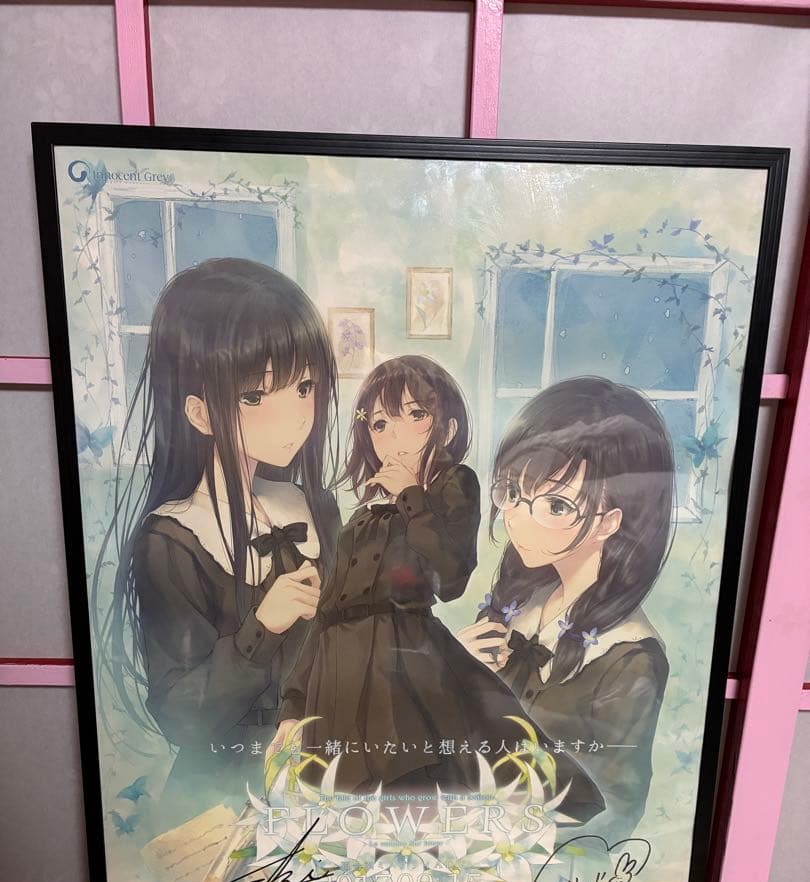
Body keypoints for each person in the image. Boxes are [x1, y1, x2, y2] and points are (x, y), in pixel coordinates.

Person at [272, 356, 604, 823]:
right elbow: (327, 616)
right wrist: (293, 706)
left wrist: (411, 495)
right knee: (347, 816)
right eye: (379, 423)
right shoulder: (361, 519)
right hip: (338, 683)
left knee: (416, 802)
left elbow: (451, 578)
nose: (393, 435)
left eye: (415, 415)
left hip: (403, 672)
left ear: (447, 429)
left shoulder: (454, 486)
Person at [94, 258, 341, 817]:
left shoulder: (315, 507)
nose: (294, 417)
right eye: (255, 396)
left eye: (304, 387)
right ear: (200, 413)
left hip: (318, 777)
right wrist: (263, 627)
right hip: (222, 796)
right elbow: (181, 716)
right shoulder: (173, 538)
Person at [458, 376, 674, 841]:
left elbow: (615, 811)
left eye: (555, 506)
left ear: (610, 520)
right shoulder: (517, 605)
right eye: (511, 493)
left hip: (537, 863)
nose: (517, 519)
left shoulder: (629, 659)